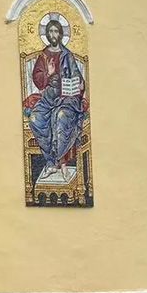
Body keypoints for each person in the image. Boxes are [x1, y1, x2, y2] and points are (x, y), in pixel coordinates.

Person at [25, 16, 87, 180]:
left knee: (59, 117)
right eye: (50, 31)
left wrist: (80, 85)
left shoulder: (67, 55)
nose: (53, 34)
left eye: (56, 31)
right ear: (47, 34)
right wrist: (49, 74)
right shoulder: (44, 56)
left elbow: (77, 76)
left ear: (60, 34)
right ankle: (51, 161)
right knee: (35, 118)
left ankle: (60, 162)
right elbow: (37, 77)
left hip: (67, 97)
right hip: (49, 97)